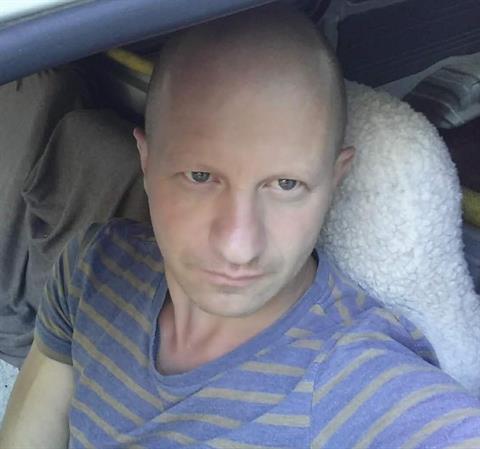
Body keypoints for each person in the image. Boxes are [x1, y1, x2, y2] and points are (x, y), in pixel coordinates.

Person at [1, 4, 480, 449]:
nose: (238, 246)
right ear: (146, 162)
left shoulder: (355, 380)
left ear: (334, 180)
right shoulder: (93, 268)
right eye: (200, 176)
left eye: (286, 184)